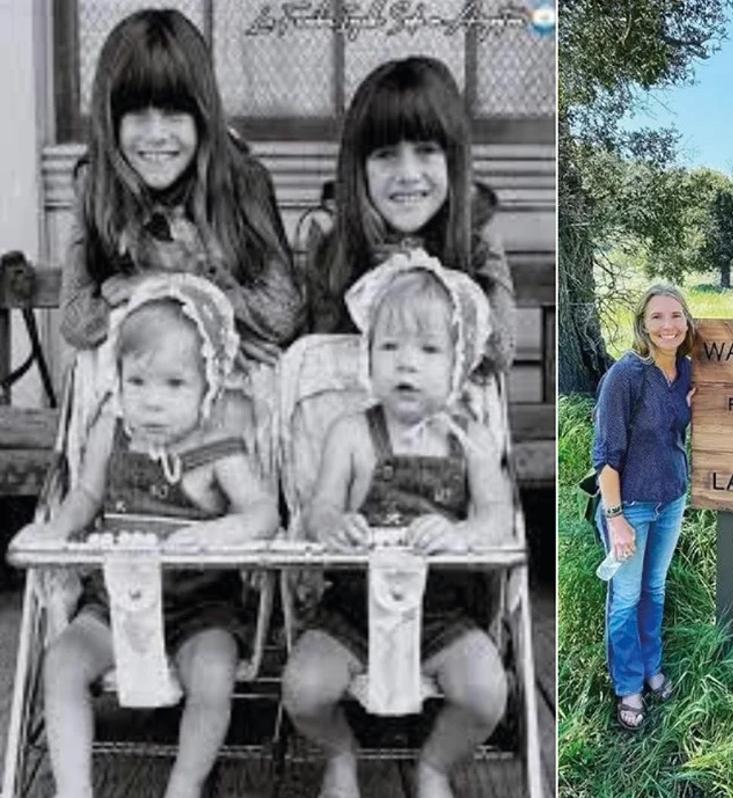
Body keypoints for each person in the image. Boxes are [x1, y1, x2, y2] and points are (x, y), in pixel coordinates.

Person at [22, 275, 279, 798]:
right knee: (62, 662)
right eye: (136, 383)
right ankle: (74, 789)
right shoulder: (109, 432)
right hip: (113, 602)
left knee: (213, 675)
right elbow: (87, 494)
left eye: (174, 385)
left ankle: (183, 784)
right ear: (118, 379)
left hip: (200, 606)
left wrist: (222, 531)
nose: (152, 403)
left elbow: (264, 513)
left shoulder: (218, 449)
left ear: (209, 386)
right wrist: (60, 527)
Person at [282, 258, 513, 798]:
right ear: (368, 358)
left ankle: (434, 764)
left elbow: (498, 517)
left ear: (458, 364)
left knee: (486, 692)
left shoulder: (471, 439)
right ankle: (340, 751)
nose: (406, 363)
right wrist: (334, 523)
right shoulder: (351, 433)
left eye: (428, 350)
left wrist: (461, 535)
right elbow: (318, 509)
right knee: (303, 690)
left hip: (442, 613)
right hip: (353, 611)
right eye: (390, 348)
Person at [60, 8, 302, 361]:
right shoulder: (97, 183)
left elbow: (282, 315)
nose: (156, 135)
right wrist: (214, 317)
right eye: (137, 115)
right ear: (111, 120)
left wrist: (167, 290)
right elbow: (76, 319)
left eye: (174, 113)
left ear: (203, 117)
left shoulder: (243, 181)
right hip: (138, 378)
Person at [304, 55, 515, 375]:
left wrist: (431, 276)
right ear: (359, 168)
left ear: (452, 161)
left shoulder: (478, 238)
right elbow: (320, 357)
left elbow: (499, 354)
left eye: (426, 151)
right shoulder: (332, 241)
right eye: (386, 155)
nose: (407, 173)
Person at [591, 284, 695, 731]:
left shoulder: (689, 370)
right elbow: (605, 457)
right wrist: (615, 522)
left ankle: (652, 668)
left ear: (688, 323)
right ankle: (628, 684)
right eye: (657, 317)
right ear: (642, 323)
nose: (667, 326)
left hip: (672, 498)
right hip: (628, 505)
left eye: (676, 316)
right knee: (626, 597)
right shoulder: (626, 375)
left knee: (655, 589)